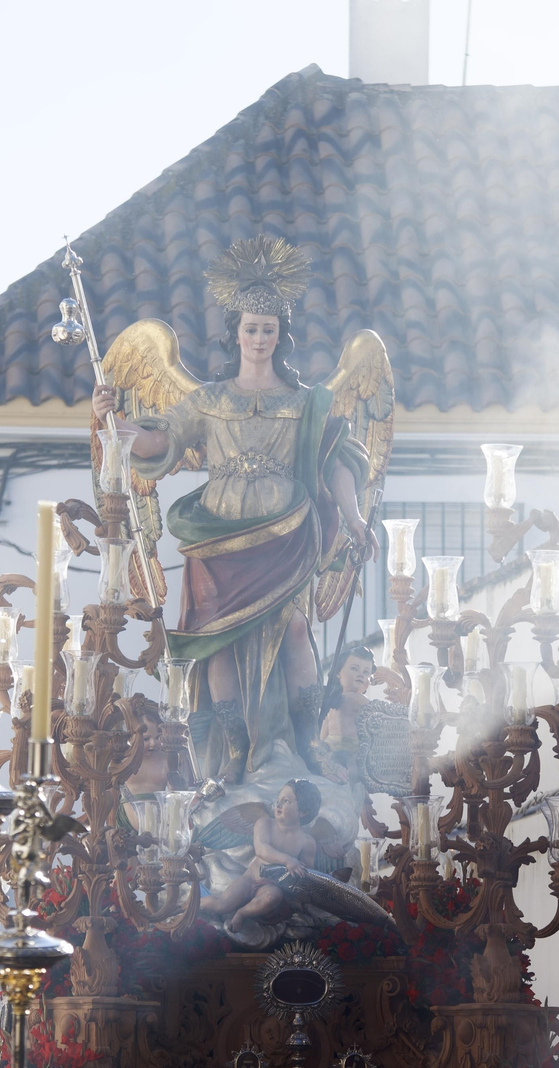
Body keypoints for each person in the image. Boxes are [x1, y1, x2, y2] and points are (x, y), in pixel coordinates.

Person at [92, 237, 376, 784]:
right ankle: (233, 752)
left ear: (280, 335)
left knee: (297, 632)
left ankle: (306, 743)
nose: (260, 338)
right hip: (219, 538)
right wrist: (117, 425)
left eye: (269, 329)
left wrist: (356, 516)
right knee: (218, 644)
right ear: (236, 332)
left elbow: (338, 462)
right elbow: (160, 441)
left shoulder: (305, 403)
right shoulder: (208, 400)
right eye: (251, 328)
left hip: (289, 535)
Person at [196, 779, 322, 932]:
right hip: (250, 879)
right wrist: (288, 860)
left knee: (272, 897)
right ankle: (189, 906)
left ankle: (242, 913)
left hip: (271, 886)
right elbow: (262, 849)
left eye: (286, 801)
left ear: (303, 811)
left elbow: (308, 873)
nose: (278, 805)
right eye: (278, 800)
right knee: (222, 904)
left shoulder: (307, 842)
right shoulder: (265, 824)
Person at [308, 644, 376, 784]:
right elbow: (379, 713)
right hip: (347, 751)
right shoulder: (357, 699)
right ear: (338, 673)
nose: (360, 675)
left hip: (332, 750)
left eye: (366, 672)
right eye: (354, 668)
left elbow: (322, 737)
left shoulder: (332, 703)